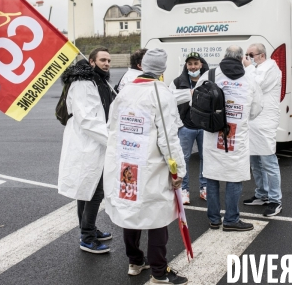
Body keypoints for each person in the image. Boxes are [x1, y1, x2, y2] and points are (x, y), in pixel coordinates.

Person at [104, 48, 188, 284]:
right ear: (162, 70)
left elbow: (112, 127)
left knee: (132, 213)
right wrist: (178, 170)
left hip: (127, 163)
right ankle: (160, 273)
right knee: (157, 217)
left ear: (142, 66)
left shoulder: (125, 91)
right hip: (152, 166)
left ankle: (136, 261)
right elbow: (169, 139)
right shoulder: (162, 94)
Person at [195, 45, 263, 231]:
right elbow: (257, 107)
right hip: (237, 134)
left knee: (211, 175)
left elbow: (198, 99)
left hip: (212, 133)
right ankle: (232, 219)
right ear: (241, 58)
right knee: (234, 177)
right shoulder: (249, 78)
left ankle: (214, 219)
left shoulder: (210, 74)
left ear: (224, 56)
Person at [58, 48, 115, 254]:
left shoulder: (100, 81)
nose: (107, 63)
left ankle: (88, 229)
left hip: (96, 141)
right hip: (87, 143)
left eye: (109, 60)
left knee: (86, 189)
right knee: (94, 191)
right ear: (91, 61)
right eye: (102, 60)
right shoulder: (83, 83)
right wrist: (112, 141)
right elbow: (86, 119)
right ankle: (87, 237)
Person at [241, 43, 283, 217]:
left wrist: (249, 68)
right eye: (247, 55)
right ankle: (262, 194)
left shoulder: (271, 69)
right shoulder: (257, 68)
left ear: (261, 55)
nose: (248, 58)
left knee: (268, 162)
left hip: (265, 122)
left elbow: (257, 86)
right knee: (255, 162)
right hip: (253, 121)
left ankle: (275, 200)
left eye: (251, 54)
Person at [169, 51, 209, 204]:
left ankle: (204, 187)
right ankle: (184, 189)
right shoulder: (178, 82)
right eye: (190, 64)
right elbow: (170, 100)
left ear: (201, 65)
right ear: (186, 66)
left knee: (205, 158)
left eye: (196, 64)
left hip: (204, 127)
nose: (193, 67)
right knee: (183, 158)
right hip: (186, 127)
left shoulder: (208, 80)